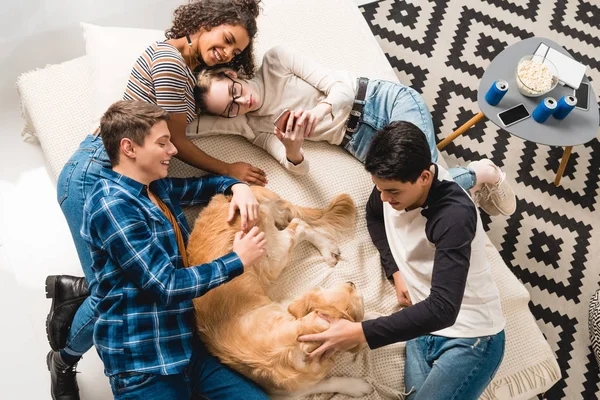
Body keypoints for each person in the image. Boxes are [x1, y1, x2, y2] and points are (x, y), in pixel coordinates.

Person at [45, 1, 266, 399]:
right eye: (226, 40)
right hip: (95, 171)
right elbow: (178, 144)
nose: (227, 53)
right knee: (108, 293)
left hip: (112, 168)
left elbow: (176, 157)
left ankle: (75, 287)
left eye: (235, 52)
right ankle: (63, 358)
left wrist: (231, 185)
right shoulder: (170, 64)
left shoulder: (177, 61)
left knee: (117, 277)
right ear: (204, 23)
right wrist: (230, 170)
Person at [297, 121, 506, 400]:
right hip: (422, 324)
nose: (383, 198)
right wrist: (394, 271)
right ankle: (477, 174)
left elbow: (444, 309)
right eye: (379, 189)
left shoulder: (454, 218)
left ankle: (482, 174)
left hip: (472, 336)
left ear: (423, 177)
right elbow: (374, 215)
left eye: (392, 192)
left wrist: (361, 333)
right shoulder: (390, 186)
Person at [80, 100, 269, 399]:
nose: (174, 150)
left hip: (186, 351)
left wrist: (237, 187)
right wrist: (238, 260)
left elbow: (204, 186)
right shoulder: (111, 204)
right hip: (143, 365)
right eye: (163, 143)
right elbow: (166, 286)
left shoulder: (155, 187)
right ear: (129, 148)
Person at [194, 45, 516, 216]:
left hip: (381, 100)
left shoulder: (276, 61)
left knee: (422, 181)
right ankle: (470, 179)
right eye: (231, 108)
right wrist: (293, 148)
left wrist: (319, 111)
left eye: (235, 92)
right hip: (361, 142)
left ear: (232, 73)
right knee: (405, 199)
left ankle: (482, 173)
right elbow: (298, 169)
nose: (243, 102)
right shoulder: (254, 127)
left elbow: (339, 88)